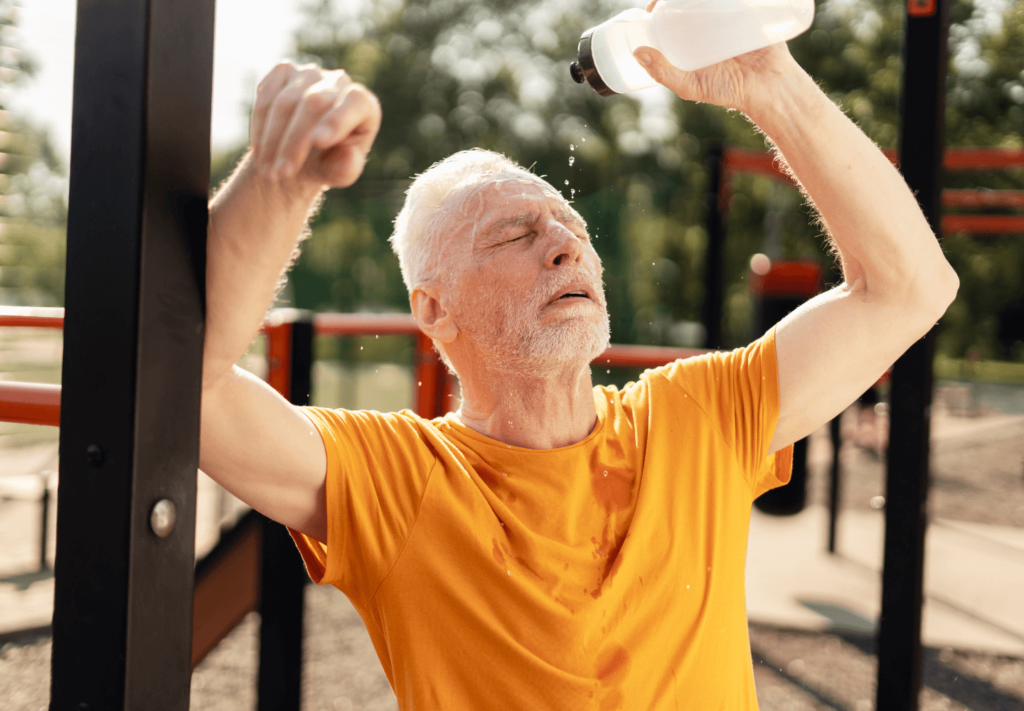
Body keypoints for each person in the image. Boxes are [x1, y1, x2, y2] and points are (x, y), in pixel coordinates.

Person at [198, 10, 959, 709]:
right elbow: (188, 389)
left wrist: (769, 82)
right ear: (433, 309)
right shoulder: (400, 479)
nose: (565, 242)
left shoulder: (695, 415)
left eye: (571, 225)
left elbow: (909, 288)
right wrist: (281, 179)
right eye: (513, 235)